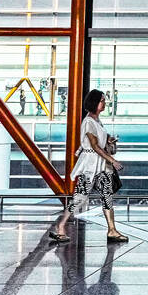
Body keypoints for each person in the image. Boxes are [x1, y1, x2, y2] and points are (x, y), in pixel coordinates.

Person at [50, 89, 129, 244]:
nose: (104, 103)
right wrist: (112, 160)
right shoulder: (89, 122)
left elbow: (99, 144)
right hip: (92, 166)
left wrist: (109, 142)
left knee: (106, 196)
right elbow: (94, 146)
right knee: (80, 197)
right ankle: (60, 226)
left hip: (100, 165)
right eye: (102, 100)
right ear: (94, 102)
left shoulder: (96, 121)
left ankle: (112, 230)